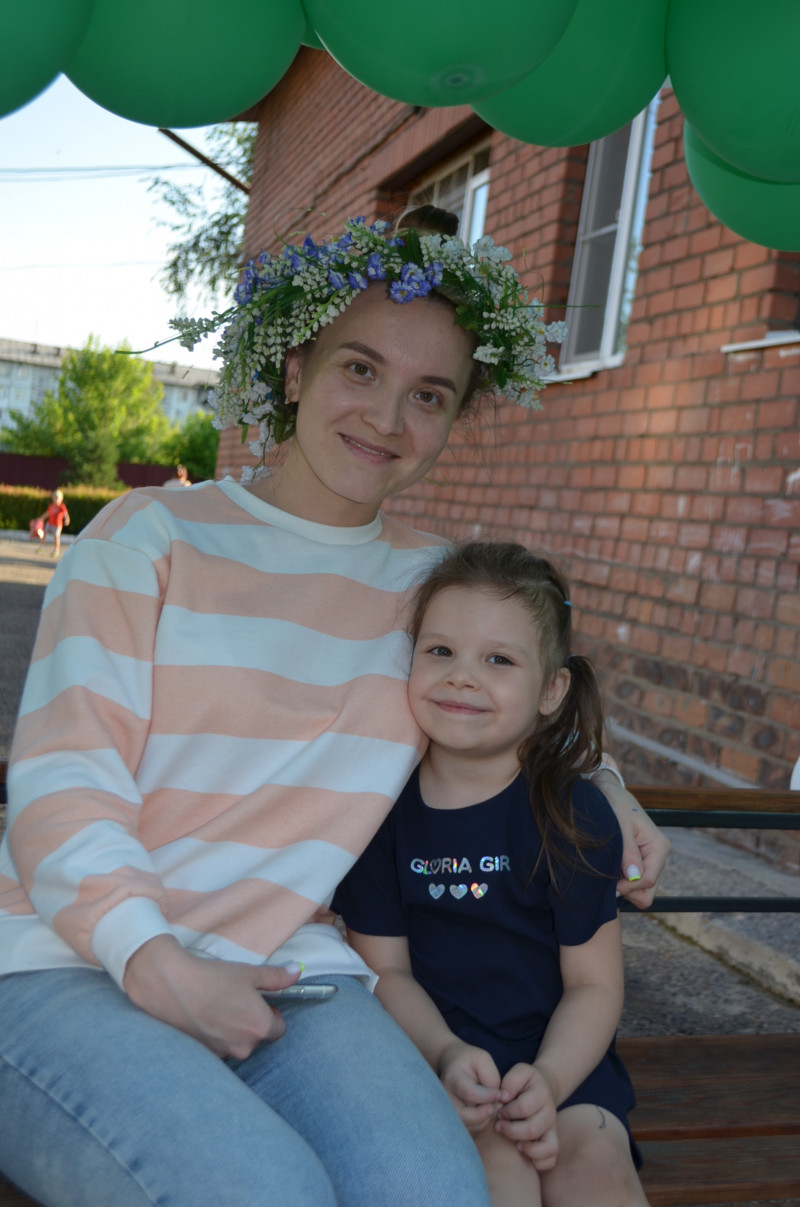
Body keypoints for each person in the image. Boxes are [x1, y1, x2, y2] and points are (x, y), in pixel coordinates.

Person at [0, 209, 666, 1207]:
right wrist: (156, 961)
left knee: (435, 1191)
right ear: (294, 368)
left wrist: (601, 782)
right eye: (360, 368)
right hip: (68, 961)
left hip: (297, 967)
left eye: (428, 394)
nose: (387, 418)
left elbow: (509, 699)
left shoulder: (430, 588)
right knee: (262, 1191)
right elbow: (64, 777)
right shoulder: (150, 535)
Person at [335, 542, 650, 1207]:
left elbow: (594, 985)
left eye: (499, 660)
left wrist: (551, 1079)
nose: (462, 677)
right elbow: (386, 971)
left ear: (551, 690)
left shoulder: (574, 814)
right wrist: (445, 1054)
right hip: (441, 1062)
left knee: (599, 1177)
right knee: (496, 1185)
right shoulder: (379, 813)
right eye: (440, 651)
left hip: (566, 1062)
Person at [35, 487, 70, 556]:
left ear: (61, 499)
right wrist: (41, 518)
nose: (55, 500)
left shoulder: (62, 506)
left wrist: (67, 519)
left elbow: (65, 514)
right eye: (54, 498)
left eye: (57, 498)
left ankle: (56, 550)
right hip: (50, 523)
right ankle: (41, 547)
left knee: (56, 537)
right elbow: (47, 513)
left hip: (57, 525)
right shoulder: (51, 506)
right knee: (44, 534)